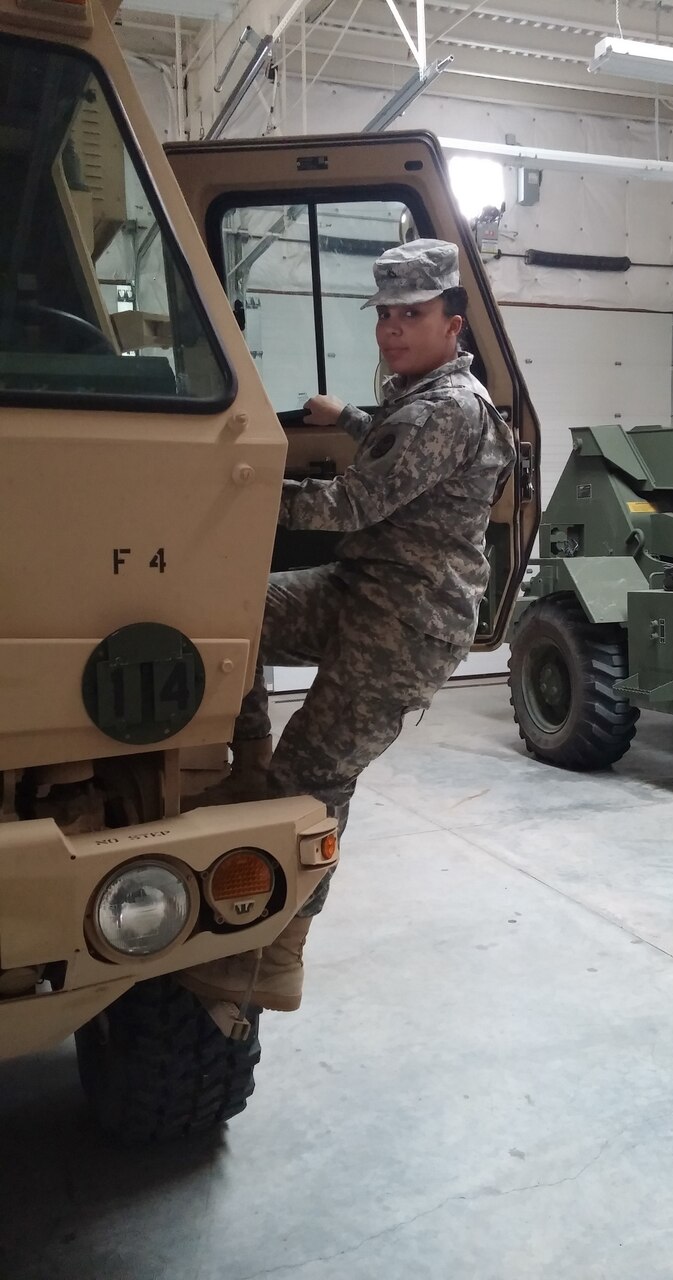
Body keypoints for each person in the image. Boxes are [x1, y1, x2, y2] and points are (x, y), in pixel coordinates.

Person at [181, 238, 515, 1022]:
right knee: (235, 613)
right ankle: (247, 760)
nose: (394, 329)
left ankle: (274, 953)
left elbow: (351, 508)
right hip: (359, 588)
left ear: (453, 326)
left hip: (409, 618)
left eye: (414, 315)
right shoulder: (417, 397)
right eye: (387, 315)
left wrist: (241, 485)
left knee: (314, 779)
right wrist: (353, 419)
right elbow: (401, 448)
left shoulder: (446, 406)